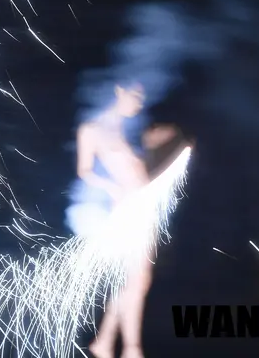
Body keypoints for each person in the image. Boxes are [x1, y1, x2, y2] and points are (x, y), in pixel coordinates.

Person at [75, 82, 168, 358]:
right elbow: (84, 170)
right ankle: (131, 349)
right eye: (135, 96)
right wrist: (111, 188)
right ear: (118, 91)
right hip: (127, 210)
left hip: (144, 209)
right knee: (135, 280)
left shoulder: (125, 131)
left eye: (141, 98)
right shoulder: (92, 129)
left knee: (135, 282)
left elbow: (138, 167)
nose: (139, 104)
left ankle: (106, 342)